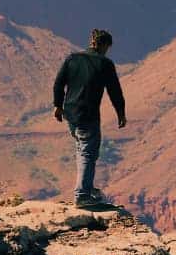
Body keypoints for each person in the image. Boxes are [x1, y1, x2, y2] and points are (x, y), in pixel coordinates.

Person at [53, 29, 127, 207]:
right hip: (88, 115)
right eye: (107, 47)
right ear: (103, 45)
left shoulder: (73, 59)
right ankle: (82, 195)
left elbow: (59, 82)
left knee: (83, 150)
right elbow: (114, 91)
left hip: (70, 114)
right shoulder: (105, 64)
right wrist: (121, 113)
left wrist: (57, 105)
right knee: (88, 153)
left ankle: (85, 187)